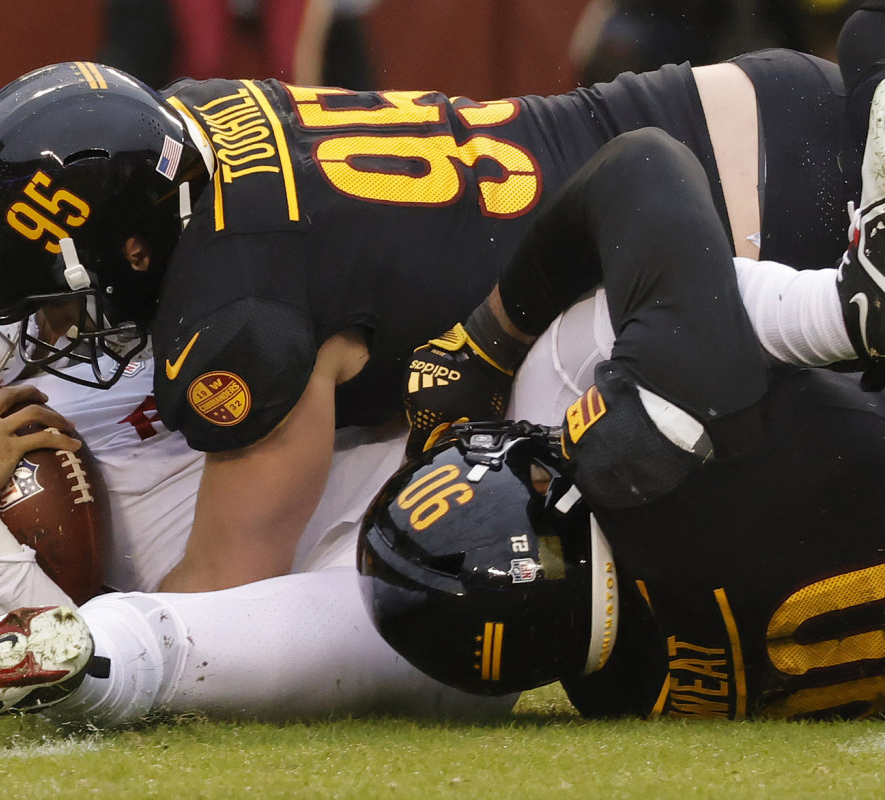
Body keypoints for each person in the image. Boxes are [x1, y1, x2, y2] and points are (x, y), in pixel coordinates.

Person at [0, 8, 883, 593]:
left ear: (133, 245)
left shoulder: (235, 318)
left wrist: (6, 586)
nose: (64, 330)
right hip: (731, 112)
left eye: (60, 302)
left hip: (739, 221)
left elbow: (227, 592)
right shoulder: (194, 112)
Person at [0, 165, 515, 730]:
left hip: (454, 467)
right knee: (436, 647)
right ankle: (132, 664)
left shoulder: (125, 273)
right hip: (305, 597)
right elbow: (50, 644)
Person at [359, 80, 885, 721]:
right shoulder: (647, 470)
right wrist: (484, 339)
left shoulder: (621, 697)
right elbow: (642, 163)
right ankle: (843, 309)